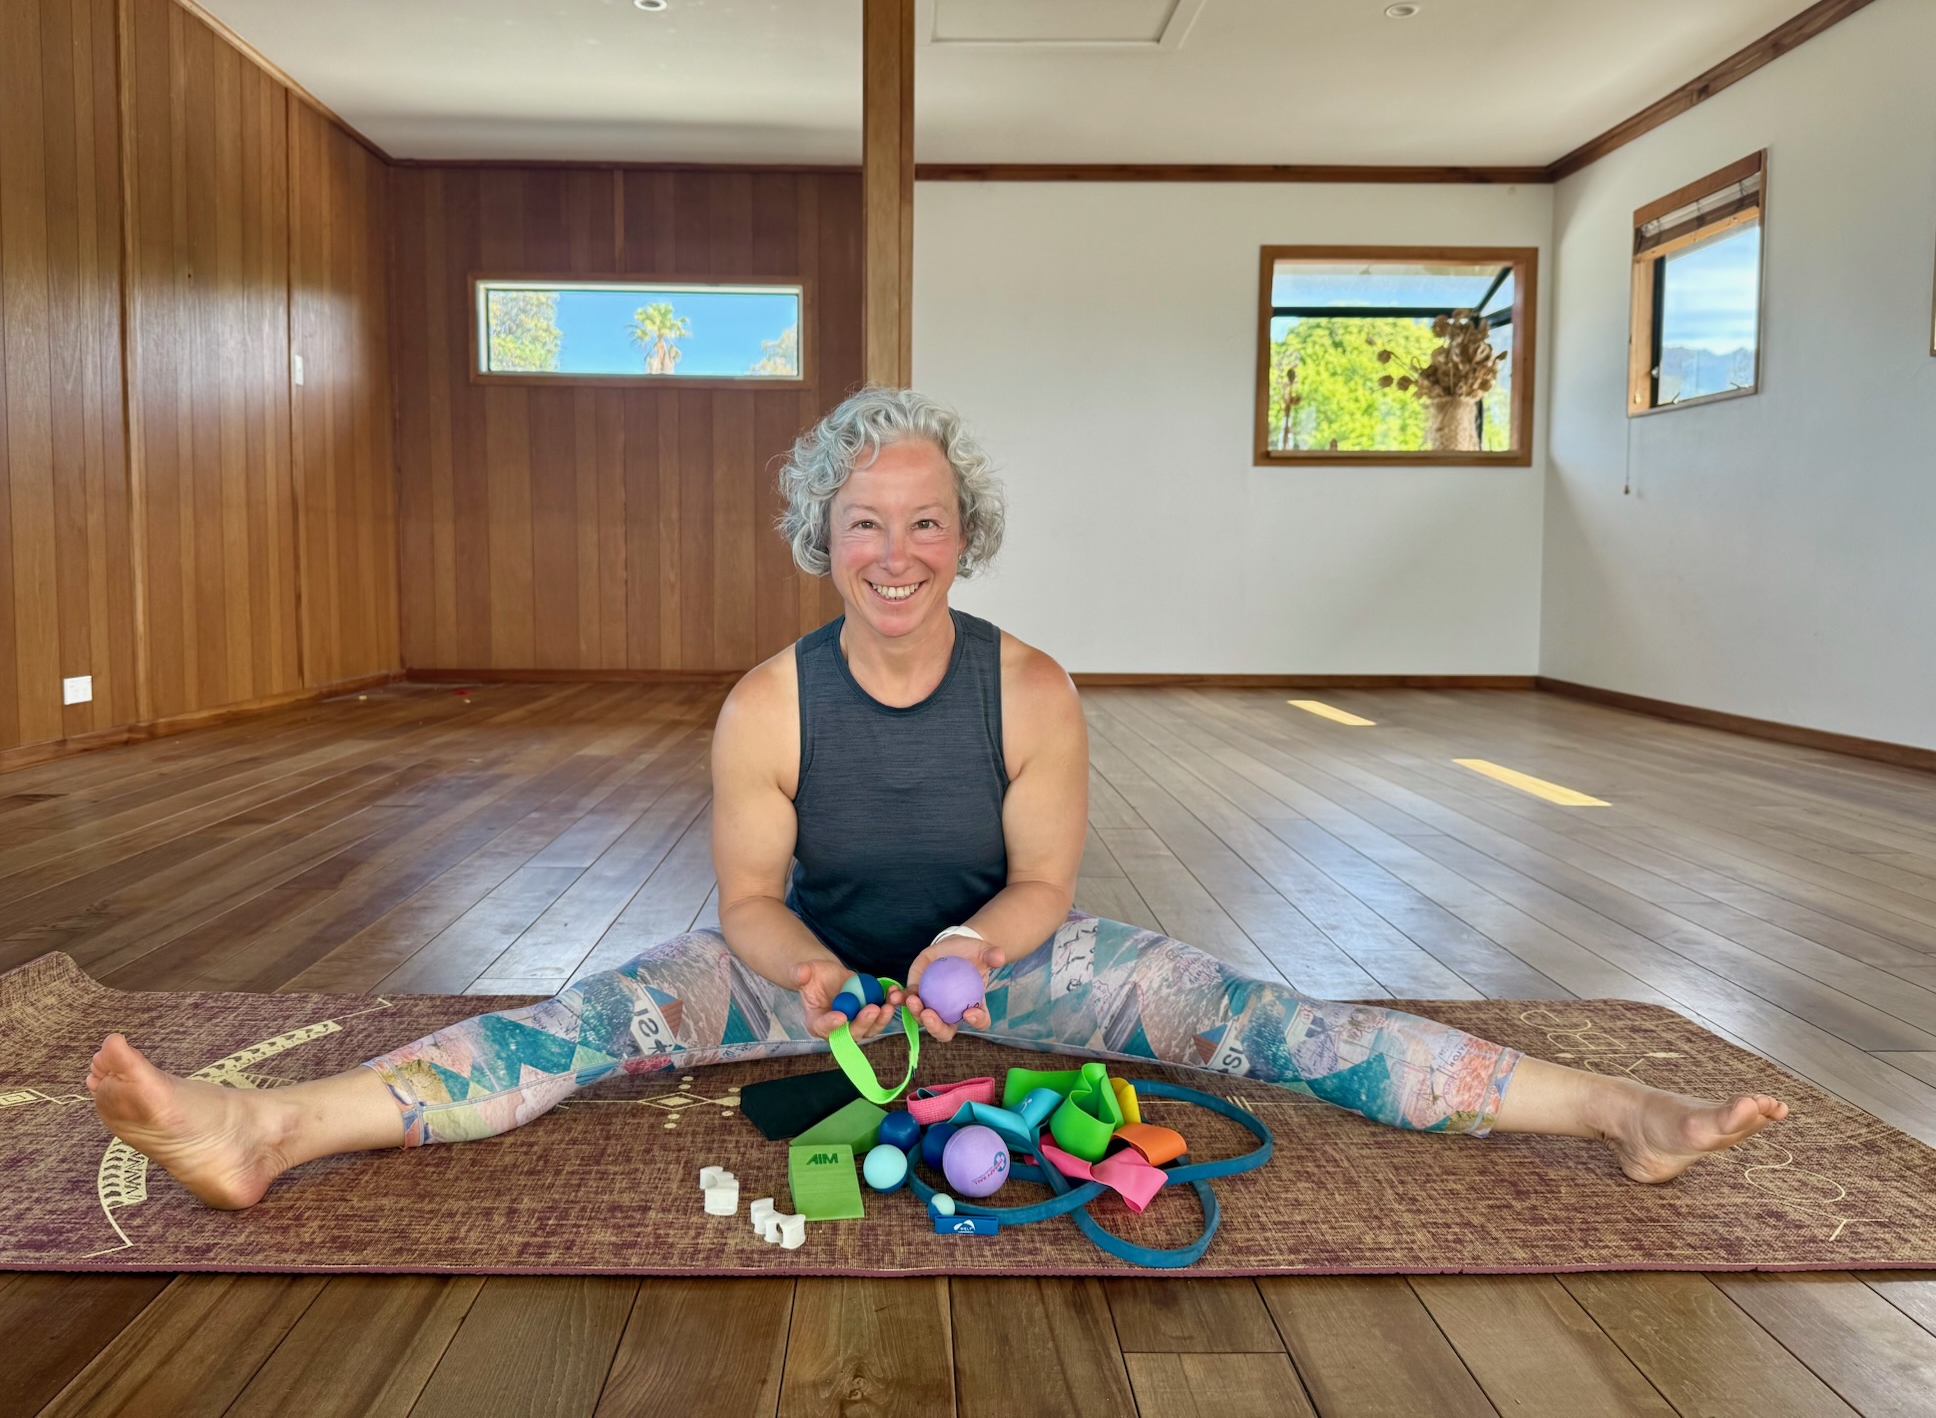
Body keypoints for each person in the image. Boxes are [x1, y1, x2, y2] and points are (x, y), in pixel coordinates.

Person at [87, 388, 1786, 1209]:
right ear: (818, 540)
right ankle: (267, 1129)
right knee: (578, 1022)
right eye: (861, 527)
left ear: (963, 536)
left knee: (1270, 1019)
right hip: (802, 971)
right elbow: (751, 899)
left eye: (924, 525)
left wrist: (978, 946)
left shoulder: (1033, 687)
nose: (894, 556)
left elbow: (1047, 885)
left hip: (1009, 964)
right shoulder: (769, 699)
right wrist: (816, 980)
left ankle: (1610, 1115)